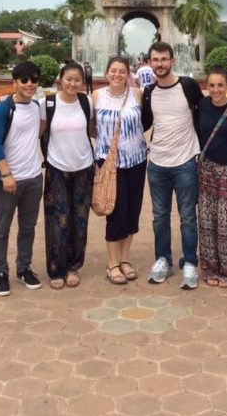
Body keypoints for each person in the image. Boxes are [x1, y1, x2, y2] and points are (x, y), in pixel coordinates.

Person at [141, 41, 203, 289]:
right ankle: (163, 259)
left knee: (188, 216)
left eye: (164, 59)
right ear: (149, 63)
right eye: (155, 60)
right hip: (156, 162)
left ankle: (189, 261)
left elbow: (202, 116)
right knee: (159, 216)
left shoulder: (187, 86)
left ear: (172, 60)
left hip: (185, 161)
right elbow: (144, 123)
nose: (160, 64)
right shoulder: (148, 92)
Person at [0, 61, 44, 297]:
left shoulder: (37, 107)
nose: (29, 84)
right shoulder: (3, 108)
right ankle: (0, 272)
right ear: (15, 82)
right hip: (8, 180)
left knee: (28, 227)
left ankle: (24, 268)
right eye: (24, 80)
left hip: (33, 177)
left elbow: (40, 131)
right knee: (2, 228)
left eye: (33, 80)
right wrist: (6, 174)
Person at [92, 56, 147, 285]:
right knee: (115, 211)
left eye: (122, 71)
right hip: (110, 163)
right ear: (106, 73)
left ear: (128, 74)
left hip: (136, 160)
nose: (117, 75)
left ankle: (125, 259)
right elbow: (90, 126)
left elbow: (147, 121)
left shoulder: (137, 95)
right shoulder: (96, 96)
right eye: (113, 71)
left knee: (132, 212)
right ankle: (113, 263)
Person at [41, 61, 94, 290]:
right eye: (69, 79)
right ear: (60, 79)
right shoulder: (48, 103)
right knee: (57, 220)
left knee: (80, 219)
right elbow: (39, 132)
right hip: (56, 168)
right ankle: (56, 268)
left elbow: (92, 130)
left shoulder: (86, 101)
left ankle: (73, 265)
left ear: (82, 82)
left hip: (84, 167)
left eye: (77, 80)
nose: (73, 83)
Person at [197, 66, 227, 288]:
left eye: (220, 85)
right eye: (212, 85)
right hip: (206, 168)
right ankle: (209, 269)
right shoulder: (201, 106)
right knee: (207, 222)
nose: (216, 90)